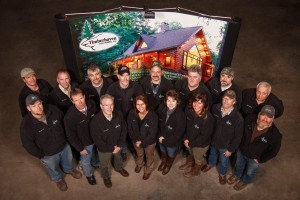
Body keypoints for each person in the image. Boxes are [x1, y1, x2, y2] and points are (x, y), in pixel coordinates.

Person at [20, 94, 82, 192]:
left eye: (39, 104)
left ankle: (69, 170)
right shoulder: (26, 125)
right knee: (52, 167)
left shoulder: (53, 110)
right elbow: (28, 145)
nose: (38, 107)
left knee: (68, 160)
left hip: (64, 146)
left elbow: (64, 122)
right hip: (48, 154)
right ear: (28, 108)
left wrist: (67, 138)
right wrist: (41, 155)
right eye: (34, 106)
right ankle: (58, 178)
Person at [227, 105, 282, 191]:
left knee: (250, 172)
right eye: (263, 115)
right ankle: (236, 175)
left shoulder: (275, 135)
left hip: (254, 158)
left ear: (272, 119)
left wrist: (261, 159)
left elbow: (274, 151)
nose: (265, 119)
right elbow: (239, 131)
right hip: (242, 151)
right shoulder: (249, 119)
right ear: (259, 114)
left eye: (269, 117)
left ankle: (245, 181)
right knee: (238, 165)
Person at [201, 90, 244, 185]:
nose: (225, 101)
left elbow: (238, 137)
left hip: (225, 146)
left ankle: (222, 173)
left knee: (223, 161)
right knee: (212, 154)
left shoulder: (238, 118)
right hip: (213, 141)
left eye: (229, 99)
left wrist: (231, 149)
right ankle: (210, 164)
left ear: (234, 102)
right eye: (224, 98)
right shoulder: (215, 108)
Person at [90, 94, 129, 188]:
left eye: (111, 104)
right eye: (106, 105)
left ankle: (119, 168)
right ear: (101, 106)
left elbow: (124, 130)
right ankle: (105, 176)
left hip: (117, 145)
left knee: (118, 158)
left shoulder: (118, 114)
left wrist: (119, 145)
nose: (109, 107)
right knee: (104, 164)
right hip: (104, 148)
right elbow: (98, 141)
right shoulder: (95, 121)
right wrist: (112, 148)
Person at [106, 65, 143, 161]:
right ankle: (123, 151)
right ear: (118, 76)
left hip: (133, 117)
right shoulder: (112, 88)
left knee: (134, 134)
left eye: (127, 75)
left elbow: (141, 103)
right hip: (118, 117)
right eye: (122, 76)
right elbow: (107, 104)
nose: (125, 78)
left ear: (130, 76)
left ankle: (136, 151)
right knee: (121, 136)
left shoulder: (136, 87)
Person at [175, 64, 212, 157]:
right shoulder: (179, 84)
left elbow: (205, 112)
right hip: (179, 116)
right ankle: (178, 147)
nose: (191, 79)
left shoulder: (205, 93)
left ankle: (187, 151)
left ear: (200, 78)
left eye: (195, 77)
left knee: (188, 138)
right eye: (189, 76)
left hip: (192, 120)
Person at [64, 88, 99, 185]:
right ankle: (89, 175)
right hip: (85, 143)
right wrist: (80, 148)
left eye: (81, 98)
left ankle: (96, 163)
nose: (80, 102)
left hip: (96, 138)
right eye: (76, 100)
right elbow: (71, 136)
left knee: (95, 153)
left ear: (84, 97)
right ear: (72, 101)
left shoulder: (92, 104)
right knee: (85, 161)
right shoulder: (69, 117)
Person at [179, 93, 215, 178]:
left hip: (200, 145)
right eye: (195, 101)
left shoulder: (208, 119)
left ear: (205, 104)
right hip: (189, 141)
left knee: (198, 158)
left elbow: (204, 137)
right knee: (191, 153)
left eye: (200, 103)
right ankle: (190, 163)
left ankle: (195, 171)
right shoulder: (189, 110)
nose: (196, 105)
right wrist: (185, 138)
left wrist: (191, 144)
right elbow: (185, 125)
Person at [127, 94, 158, 180]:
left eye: (142, 104)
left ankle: (148, 170)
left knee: (149, 156)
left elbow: (153, 134)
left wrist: (143, 143)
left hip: (149, 142)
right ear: (135, 105)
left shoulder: (153, 115)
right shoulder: (132, 113)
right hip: (136, 140)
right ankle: (139, 164)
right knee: (139, 154)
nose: (140, 106)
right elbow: (130, 128)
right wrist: (135, 140)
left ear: (146, 104)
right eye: (138, 104)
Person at [157, 89, 186, 175]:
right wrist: (159, 136)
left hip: (172, 142)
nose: (170, 103)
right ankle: (163, 161)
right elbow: (157, 124)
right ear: (165, 101)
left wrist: (165, 141)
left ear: (177, 102)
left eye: (173, 101)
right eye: (168, 100)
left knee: (171, 154)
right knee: (163, 151)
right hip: (161, 138)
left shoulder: (180, 115)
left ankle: (168, 165)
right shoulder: (161, 108)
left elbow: (178, 134)